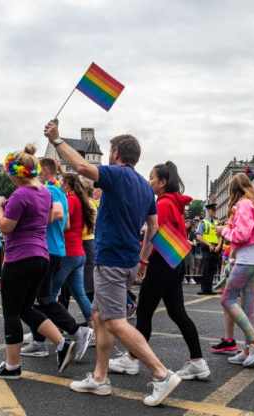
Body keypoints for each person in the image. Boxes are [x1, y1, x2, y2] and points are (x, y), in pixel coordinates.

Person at [45, 121, 182, 406]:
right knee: (99, 318)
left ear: (117, 153)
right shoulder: (146, 188)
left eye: (110, 151)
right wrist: (143, 257)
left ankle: (161, 373)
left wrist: (57, 141)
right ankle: (99, 377)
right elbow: (153, 226)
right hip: (129, 258)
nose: (108, 156)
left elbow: (83, 168)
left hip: (111, 258)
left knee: (116, 322)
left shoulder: (117, 175)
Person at [109, 161, 209, 380]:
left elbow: (152, 235)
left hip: (161, 264)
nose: (149, 181)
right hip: (173, 262)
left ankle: (132, 360)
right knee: (177, 312)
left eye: (152, 177)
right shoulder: (172, 202)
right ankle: (198, 361)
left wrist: (142, 263)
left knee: (144, 312)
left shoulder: (163, 204)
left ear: (162, 182)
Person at [0, 144, 77, 380]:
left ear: (15, 173)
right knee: (26, 308)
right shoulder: (45, 192)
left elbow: (6, 226)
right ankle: (62, 343)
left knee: (11, 312)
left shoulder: (20, 194)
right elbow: (44, 220)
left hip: (19, 257)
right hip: (41, 256)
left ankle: (12, 366)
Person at [21, 158, 93, 361]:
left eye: (37, 169)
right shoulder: (60, 192)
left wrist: (30, 223)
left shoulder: (50, 191)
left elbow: (61, 215)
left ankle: (53, 337)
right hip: (60, 250)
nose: (34, 173)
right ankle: (45, 337)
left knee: (41, 299)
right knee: (47, 298)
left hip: (50, 250)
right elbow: (67, 222)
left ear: (44, 170)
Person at [212, 173, 254, 368]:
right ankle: (249, 352)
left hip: (247, 260)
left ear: (233, 190)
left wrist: (224, 232)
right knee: (249, 308)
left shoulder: (244, 205)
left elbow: (242, 234)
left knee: (227, 299)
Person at [51, 173, 94, 323]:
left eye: (61, 183)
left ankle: (44, 332)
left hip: (68, 252)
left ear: (67, 185)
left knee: (50, 294)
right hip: (78, 253)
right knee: (79, 293)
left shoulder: (70, 200)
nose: (59, 185)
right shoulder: (81, 200)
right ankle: (95, 328)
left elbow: (66, 224)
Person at [196, 203, 221, 295]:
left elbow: (220, 235)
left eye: (215, 210)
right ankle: (204, 289)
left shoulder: (216, 222)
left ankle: (209, 289)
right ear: (209, 211)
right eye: (213, 210)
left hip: (215, 248)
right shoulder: (203, 222)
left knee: (212, 269)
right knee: (206, 269)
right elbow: (199, 236)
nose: (215, 212)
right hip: (207, 248)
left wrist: (219, 245)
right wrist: (209, 245)